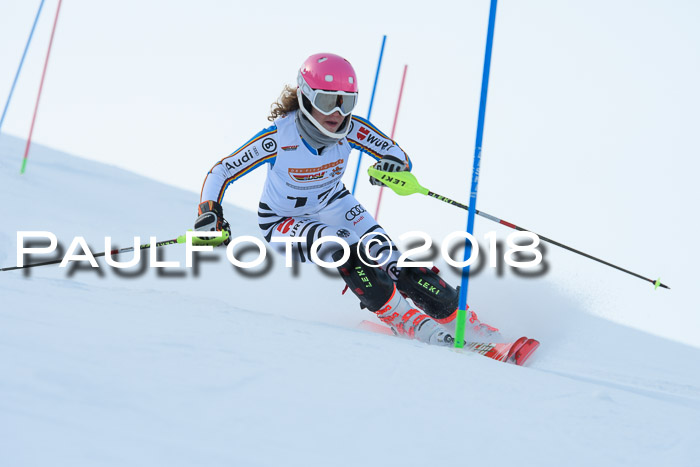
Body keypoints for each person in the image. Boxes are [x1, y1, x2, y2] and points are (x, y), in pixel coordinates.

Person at [194, 53, 498, 345]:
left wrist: (392, 167)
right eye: (327, 102)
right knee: (342, 244)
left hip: (336, 204)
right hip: (284, 220)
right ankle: (405, 320)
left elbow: (396, 155)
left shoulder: (353, 129)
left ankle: (462, 320)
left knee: (390, 259)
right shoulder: (278, 137)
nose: (337, 114)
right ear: (305, 97)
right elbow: (222, 171)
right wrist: (210, 213)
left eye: (346, 102)